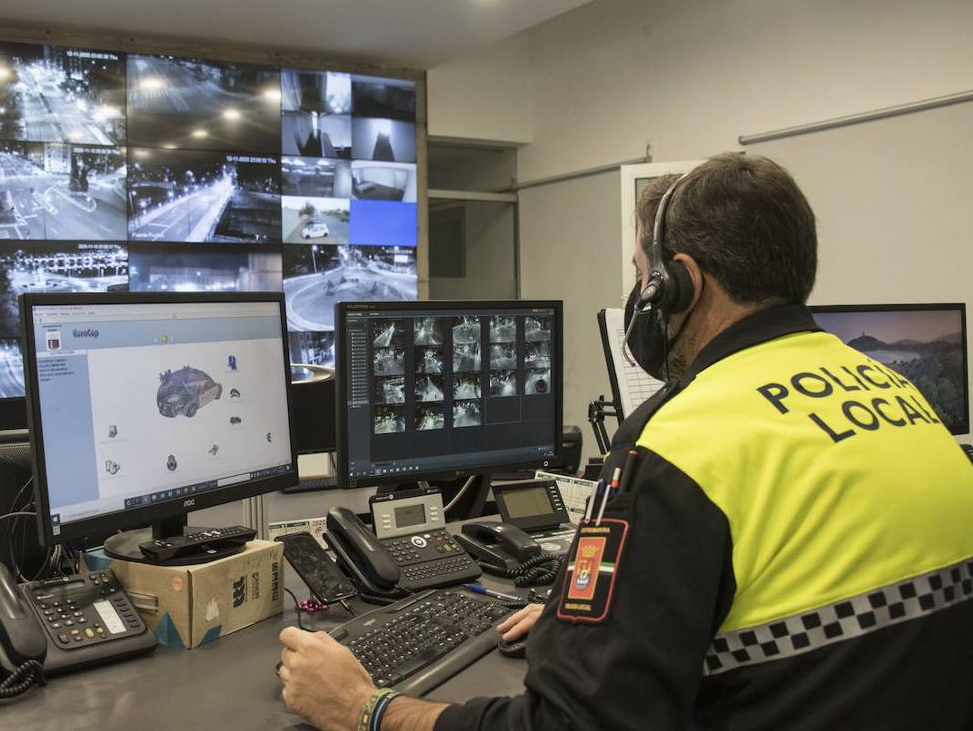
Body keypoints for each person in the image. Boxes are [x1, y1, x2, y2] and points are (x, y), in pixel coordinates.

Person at [277, 153, 973, 730]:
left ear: (682, 284)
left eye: (643, 276)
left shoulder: (683, 442)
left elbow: (575, 727)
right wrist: (594, 622)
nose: (638, 297)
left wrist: (366, 709)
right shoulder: (895, 392)